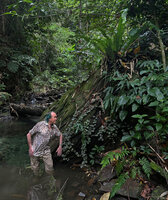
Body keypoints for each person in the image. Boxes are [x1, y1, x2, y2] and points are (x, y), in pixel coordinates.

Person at [27, 111, 63, 176]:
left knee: (50, 168)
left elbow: (60, 135)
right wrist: (30, 147)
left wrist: (60, 146)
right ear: (49, 119)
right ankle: (36, 179)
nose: (56, 118)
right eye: (54, 117)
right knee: (35, 168)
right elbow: (29, 134)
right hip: (35, 150)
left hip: (46, 150)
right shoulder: (40, 125)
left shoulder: (54, 127)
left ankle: (49, 181)